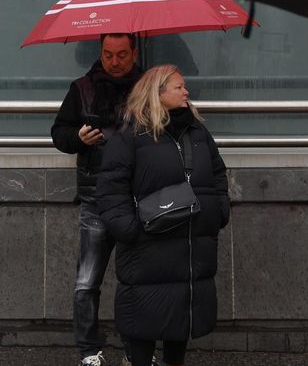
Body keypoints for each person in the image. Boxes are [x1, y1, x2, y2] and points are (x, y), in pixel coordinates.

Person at [96, 65, 230, 366]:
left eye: (184, 87)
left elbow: (219, 174)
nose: (187, 92)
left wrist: (219, 211)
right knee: (143, 321)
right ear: (157, 93)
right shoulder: (131, 135)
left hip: (192, 244)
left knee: (180, 320)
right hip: (148, 247)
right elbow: (110, 190)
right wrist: (130, 230)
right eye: (178, 87)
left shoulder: (197, 131)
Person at [52, 34, 145, 366]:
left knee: (138, 280)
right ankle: (89, 350)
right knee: (87, 280)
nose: (114, 61)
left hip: (139, 196)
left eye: (121, 54)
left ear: (134, 53)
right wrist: (78, 138)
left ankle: (138, 351)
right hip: (96, 197)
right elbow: (59, 133)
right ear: (99, 53)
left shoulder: (148, 89)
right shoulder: (82, 88)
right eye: (108, 54)